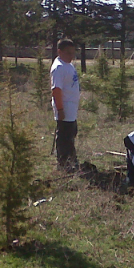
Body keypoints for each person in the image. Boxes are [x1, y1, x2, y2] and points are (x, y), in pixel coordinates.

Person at [51, 38, 80, 171]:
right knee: (64, 136)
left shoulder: (69, 65)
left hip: (71, 107)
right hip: (65, 107)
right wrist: (60, 109)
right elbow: (56, 90)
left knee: (71, 133)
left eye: (73, 53)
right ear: (59, 52)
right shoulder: (59, 68)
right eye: (68, 53)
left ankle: (72, 159)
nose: (71, 56)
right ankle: (63, 163)